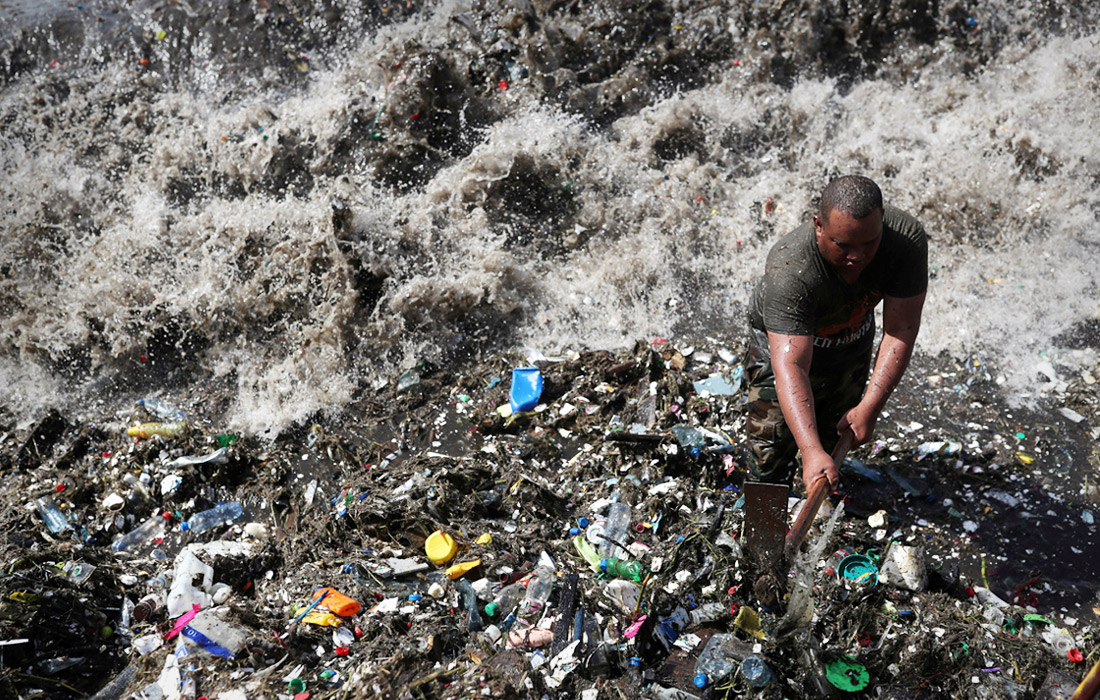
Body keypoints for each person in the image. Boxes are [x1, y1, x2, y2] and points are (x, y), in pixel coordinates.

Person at [744, 175, 928, 493]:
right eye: (842, 245)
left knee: (837, 428)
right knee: (770, 445)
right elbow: (792, 366)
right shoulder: (791, 272)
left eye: (868, 243)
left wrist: (870, 408)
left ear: (881, 221)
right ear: (818, 225)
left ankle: (819, 504)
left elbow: (901, 329)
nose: (856, 257)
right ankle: (765, 534)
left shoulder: (904, 242)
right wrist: (809, 450)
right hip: (784, 345)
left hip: (849, 339)